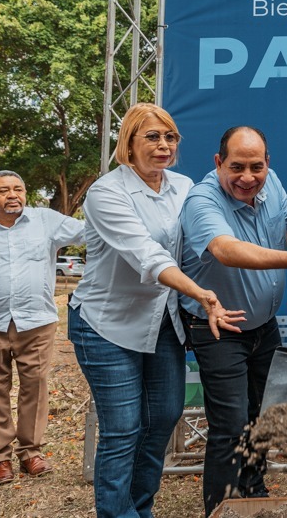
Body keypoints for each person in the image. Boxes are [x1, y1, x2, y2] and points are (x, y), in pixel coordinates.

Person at [68, 103, 241, 518]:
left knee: (164, 417)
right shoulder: (106, 192)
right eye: (152, 136)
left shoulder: (185, 187)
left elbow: (229, 213)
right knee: (123, 428)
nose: (163, 145)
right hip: (105, 325)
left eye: (170, 137)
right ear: (128, 143)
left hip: (163, 322)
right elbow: (148, 256)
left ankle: (139, 508)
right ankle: (118, 513)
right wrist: (201, 294)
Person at [180, 126, 287, 516]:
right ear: (218, 162)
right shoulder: (201, 199)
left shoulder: (269, 182)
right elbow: (227, 250)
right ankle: (223, 508)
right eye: (237, 167)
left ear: (268, 164)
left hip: (263, 328)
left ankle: (254, 494)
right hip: (219, 328)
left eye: (256, 167)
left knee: (260, 419)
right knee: (229, 427)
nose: (248, 178)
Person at [0, 171, 84, 485]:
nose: (12, 195)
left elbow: (92, 233)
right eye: (3, 190)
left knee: (35, 388)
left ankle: (30, 452)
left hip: (36, 322)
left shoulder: (45, 220)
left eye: (18, 188)